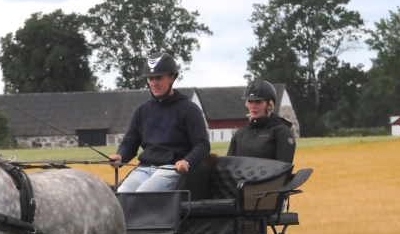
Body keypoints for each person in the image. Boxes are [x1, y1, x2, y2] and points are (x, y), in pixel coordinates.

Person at [109, 52, 210, 192]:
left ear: (171, 78)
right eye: (150, 79)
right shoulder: (142, 111)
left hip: (171, 169)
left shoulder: (189, 109)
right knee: (123, 192)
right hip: (144, 168)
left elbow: (202, 145)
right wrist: (120, 156)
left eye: (159, 78)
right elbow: (130, 142)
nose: (154, 84)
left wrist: (187, 161)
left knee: (142, 194)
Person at [227, 78, 295, 164]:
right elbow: (229, 166)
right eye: (250, 102)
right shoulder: (240, 133)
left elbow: (283, 168)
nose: (253, 106)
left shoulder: (282, 132)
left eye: (258, 102)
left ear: (270, 105)